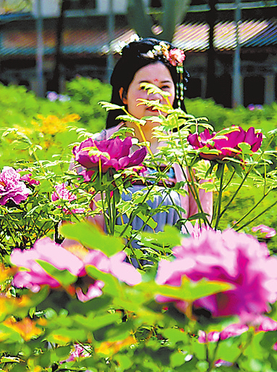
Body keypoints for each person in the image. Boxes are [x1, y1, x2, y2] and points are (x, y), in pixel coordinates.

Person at [90, 38, 211, 235]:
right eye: (145, 87)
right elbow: (74, 223)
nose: (155, 96)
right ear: (123, 94)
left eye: (164, 87)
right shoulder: (94, 149)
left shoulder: (192, 156)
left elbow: (201, 227)